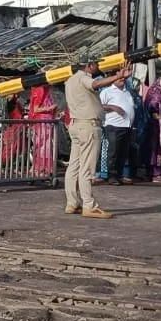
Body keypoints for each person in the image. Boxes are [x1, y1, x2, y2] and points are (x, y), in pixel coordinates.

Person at [64, 52, 128, 219]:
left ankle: (72, 202)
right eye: (96, 65)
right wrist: (116, 76)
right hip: (88, 126)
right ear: (89, 66)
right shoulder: (84, 78)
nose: (98, 67)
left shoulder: (70, 80)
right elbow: (96, 83)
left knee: (74, 166)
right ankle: (89, 205)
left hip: (76, 124)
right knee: (87, 168)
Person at [98, 72, 136, 186]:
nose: (122, 80)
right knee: (113, 151)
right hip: (114, 125)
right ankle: (111, 175)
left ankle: (119, 174)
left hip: (127, 125)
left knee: (123, 152)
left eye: (124, 78)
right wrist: (112, 107)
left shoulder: (127, 92)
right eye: (120, 78)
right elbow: (99, 105)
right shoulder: (107, 92)